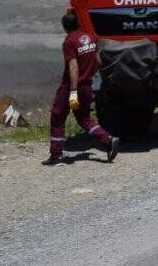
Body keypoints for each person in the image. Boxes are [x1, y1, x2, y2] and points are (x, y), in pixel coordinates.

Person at [45, 13, 118, 165]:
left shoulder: (69, 42)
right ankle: (107, 140)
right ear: (78, 23)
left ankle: (56, 155)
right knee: (84, 118)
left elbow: (73, 67)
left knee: (57, 116)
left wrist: (72, 92)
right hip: (86, 85)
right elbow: (98, 60)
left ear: (65, 27)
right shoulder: (91, 38)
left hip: (70, 87)